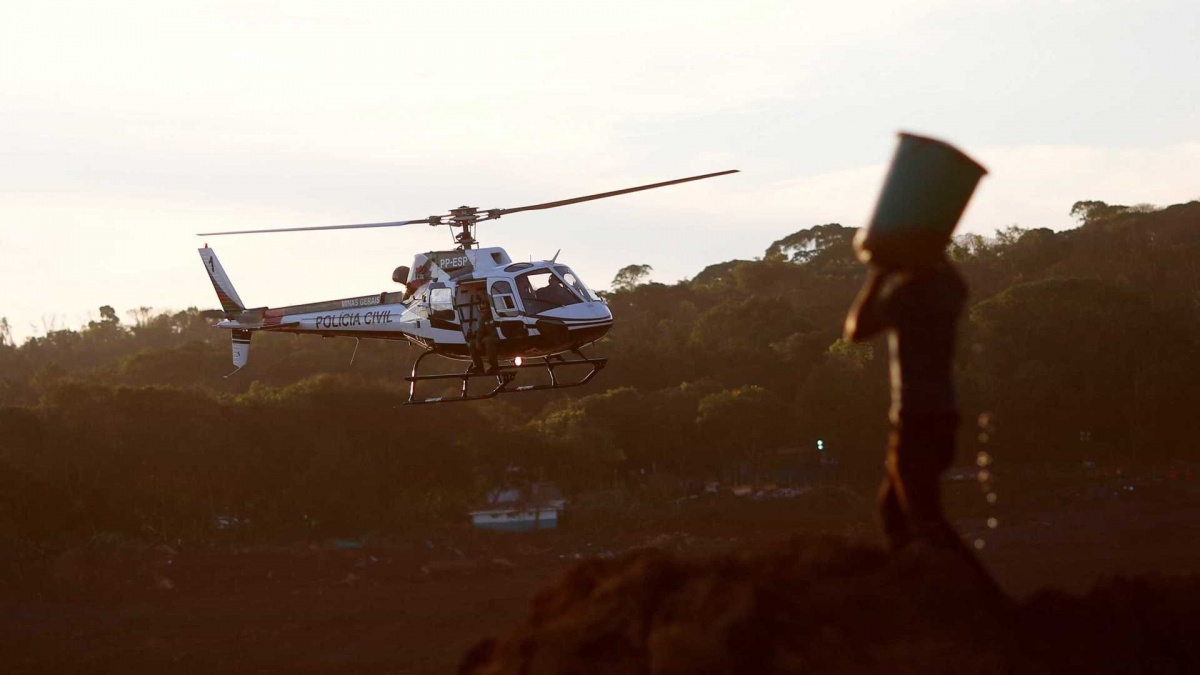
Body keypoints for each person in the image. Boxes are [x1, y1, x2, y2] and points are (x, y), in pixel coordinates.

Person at [844, 251, 968, 553]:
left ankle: (965, 579)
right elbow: (954, 278)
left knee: (922, 517)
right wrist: (931, 248)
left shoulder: (909, 296)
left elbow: (857, 330)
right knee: (895, 513)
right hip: (944, 415)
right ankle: (918, 575)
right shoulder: (949, 291)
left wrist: (878, 276)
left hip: (916, 418)